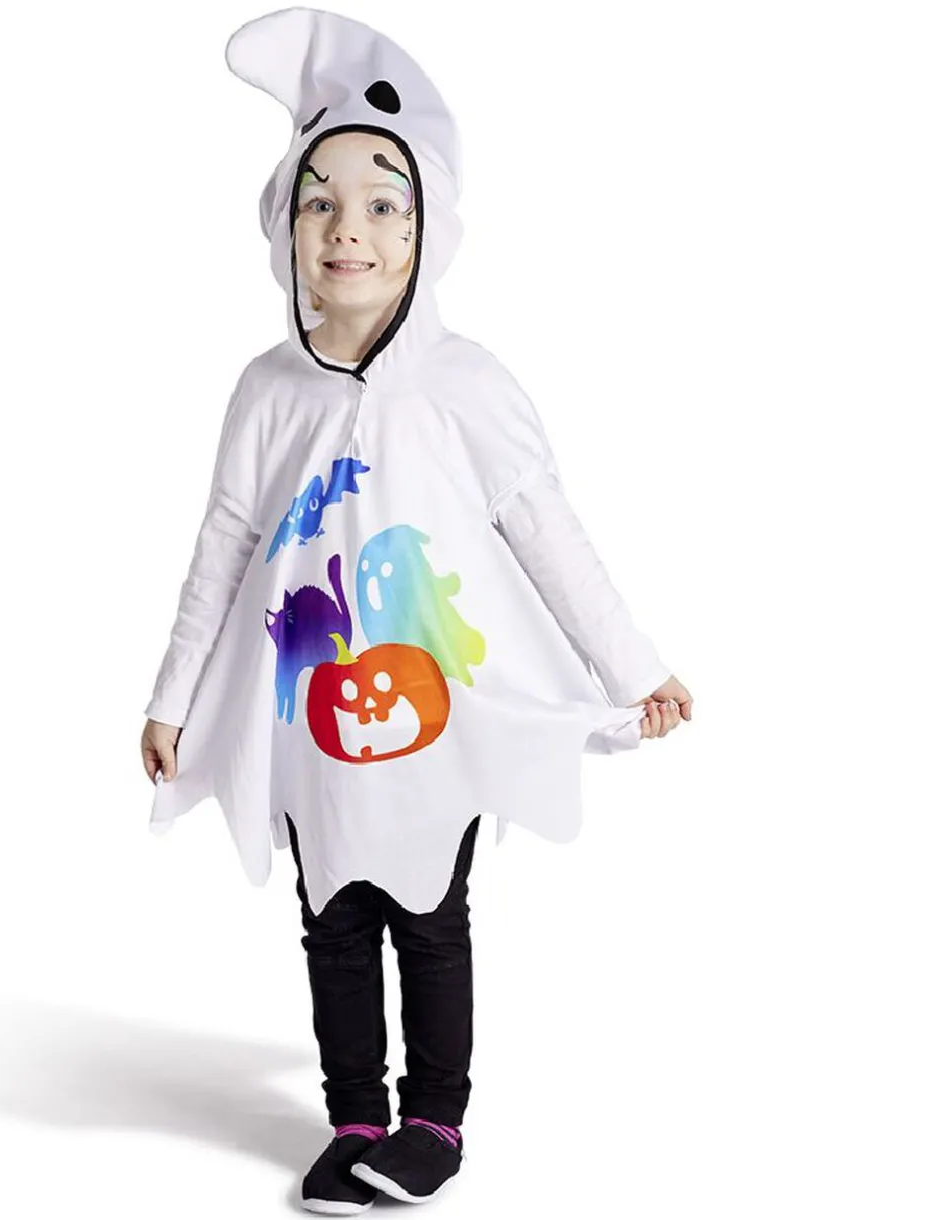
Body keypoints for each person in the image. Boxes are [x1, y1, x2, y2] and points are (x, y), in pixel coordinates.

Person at [139, 8, 693, 1212]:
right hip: (308, 713)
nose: (349, 227)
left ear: (428, 228)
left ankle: (433, 1118)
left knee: (428, 912)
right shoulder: (265, 392)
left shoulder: (463, 384)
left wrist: (632, 665)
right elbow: (223, 545)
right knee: (330, 913)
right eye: (319, 200)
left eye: (383, 203)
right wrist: (172, 697)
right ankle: (352, 1115)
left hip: (431, 709)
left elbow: (544, 528)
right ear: (282, 226)